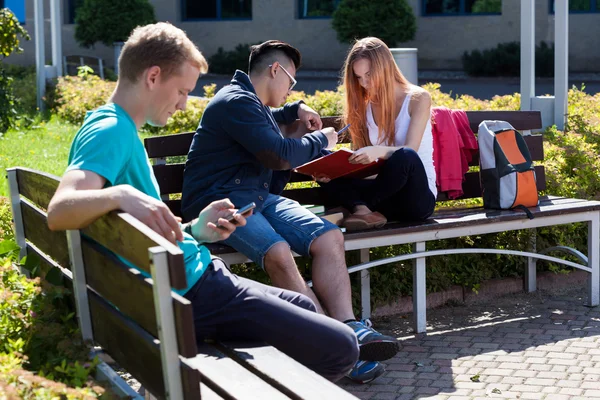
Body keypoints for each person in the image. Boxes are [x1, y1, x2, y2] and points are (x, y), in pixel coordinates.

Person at [46, 23, 360, 383]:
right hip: (195, 290)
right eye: (181, 91)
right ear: (153, 76)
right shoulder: (111, 130)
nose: (183, 104)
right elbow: (60, 209)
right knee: (342, 349)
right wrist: (121, 195)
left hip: (193, 277)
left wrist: (196, 229)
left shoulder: (114, 126)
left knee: (304, 305)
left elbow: (144, 230)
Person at [181, 39, 399, 383]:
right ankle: (326, 344)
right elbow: (279, 154)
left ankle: (348, 328)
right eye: (291, 82)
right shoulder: (234, 102)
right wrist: (322, 141)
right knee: (279, 252)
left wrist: (295, 109)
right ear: (274, 70)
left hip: (257, 197)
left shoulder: (253, 103)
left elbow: (272, 116)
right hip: (219, 201)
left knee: (328, 236)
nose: (290, 89)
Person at [320, 37, 437, 231]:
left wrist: (379, 152)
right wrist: (334, 172)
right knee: (320, 157)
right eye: (358, 77)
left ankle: (357, 208)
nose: (364, 83)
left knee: (405, 156)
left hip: (414, 199)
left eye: (368, 74)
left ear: (385, 68)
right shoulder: (364, 107)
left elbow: (411, 151)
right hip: (383, 199)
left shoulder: (418, 98)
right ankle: (363, 211)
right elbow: (365, 172)